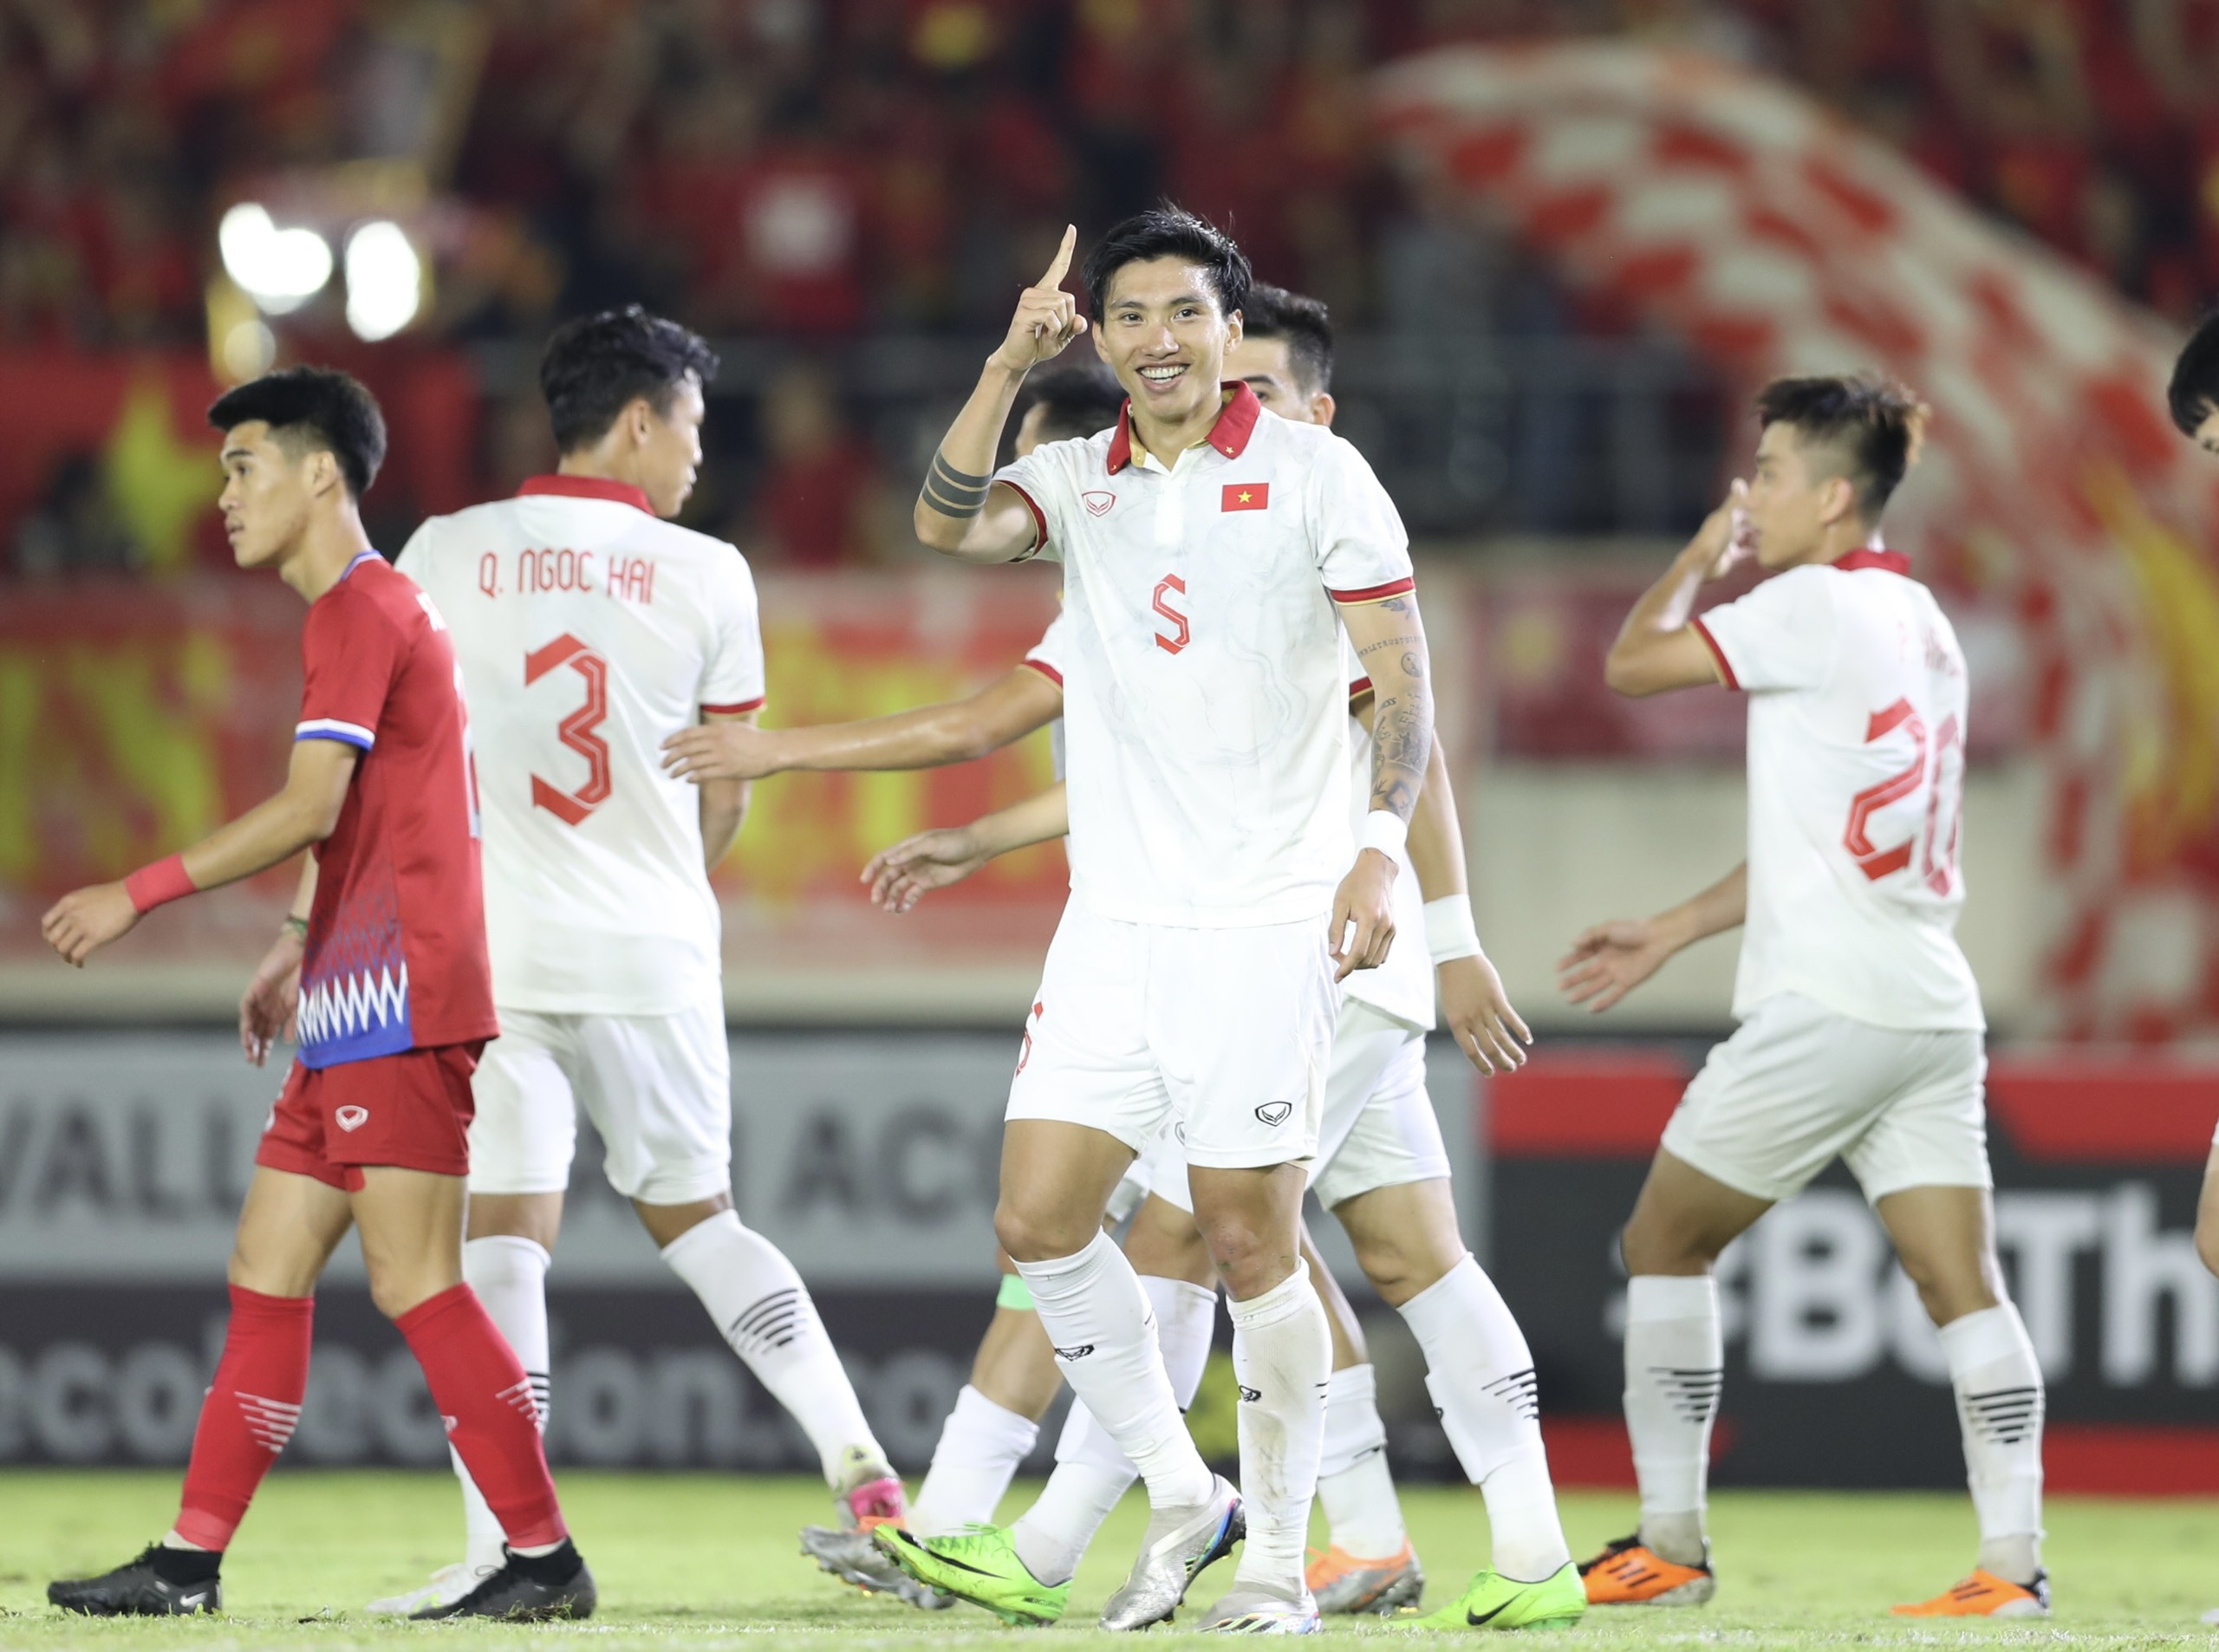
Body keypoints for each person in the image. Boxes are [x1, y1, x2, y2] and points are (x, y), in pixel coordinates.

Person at [670, 295, 1577, 1629]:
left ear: (1298, 406)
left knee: (1183, 1232)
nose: (1215, 403)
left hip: (1310, 938)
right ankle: (1470, 1541)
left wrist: (1453, 933)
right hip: (1267, 936)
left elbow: (1408, 723)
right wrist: (973, 834)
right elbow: (1058, 730)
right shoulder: (1141, 561)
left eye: (1244, 376)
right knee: (1400, 1251)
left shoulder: (1309, 520)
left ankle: (1045, 1533)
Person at [884, 205, 1430, 1634]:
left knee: (1253, 1242)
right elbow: (942, 524)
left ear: (1226, 330)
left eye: (1183, 313)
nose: (1156, 340)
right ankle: (1188, 1493)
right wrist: (1007, 366)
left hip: (1263, 922)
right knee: (1039, 1216)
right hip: (1114, 925)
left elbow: (1405, 680)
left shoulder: (1320, 475)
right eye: (1128, 317)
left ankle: (1273, 1570)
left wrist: (1381, 848)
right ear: (1103, 336)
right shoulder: (1078, 481)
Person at [361, 307, 904, 1616]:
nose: (700, 460)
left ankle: (512, 1542)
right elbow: (728, 787)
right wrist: (665, 870)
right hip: (655, 947)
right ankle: (869, 1477)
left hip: (492, 958)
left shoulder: (445, 548)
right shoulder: (710, 573)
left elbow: (400, 760)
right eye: (697, 429)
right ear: (644, 421)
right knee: (704, 1223)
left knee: (503, 1241)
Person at [37, 367, 595, 1622]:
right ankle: (188, 1561)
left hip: (404, 991)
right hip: (355, 985)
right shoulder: (364, 610)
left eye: (245, 466)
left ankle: (545, 1557)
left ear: (321, 473)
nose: (223, 493)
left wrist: (139, 889)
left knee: (415, 1281)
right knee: (266, 1264)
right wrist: (298, 935)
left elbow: (310, 803)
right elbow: (360, 817)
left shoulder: (361, 607)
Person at [1558, 374, 2048, 1620]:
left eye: (1768, 471)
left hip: (1828, 1003)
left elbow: (1629, 663)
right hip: (1930, 1001)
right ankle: (2015, 1566)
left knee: (1665, 1241)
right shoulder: (1926, 620)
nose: (1748, 491)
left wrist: (1696, 553)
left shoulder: (1808, 601)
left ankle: (1670, 1544)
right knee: (1963, 1285)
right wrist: (1673, 925)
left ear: (1834, 496)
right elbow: (1829, 839)